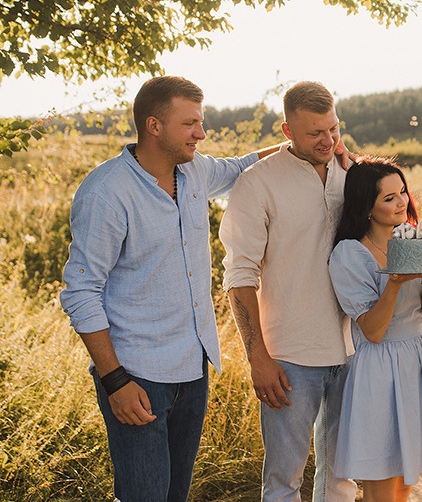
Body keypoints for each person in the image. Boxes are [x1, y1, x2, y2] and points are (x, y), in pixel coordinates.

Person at [59, 75, 283, 502]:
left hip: (193, 368)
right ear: (154, 126)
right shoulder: (107, 192)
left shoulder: (195, 170)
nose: (201, 133)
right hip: (137, 376)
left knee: (175, 494)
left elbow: (241, 166)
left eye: (201, 122)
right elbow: (80, 292)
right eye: (190, 124)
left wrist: (307, 144)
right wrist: (114, 381)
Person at [219, 81, 358, 501]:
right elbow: (240, 275)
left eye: (333, 129)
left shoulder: (351, 174)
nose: (328, 139)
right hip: (290, 358)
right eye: (315, 132)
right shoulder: (256, 184)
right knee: (283, 482)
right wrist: (258, 357)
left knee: (343, 477)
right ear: (287, 131)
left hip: (355, 347)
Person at [328, 157, 422, 501]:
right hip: (379, 368)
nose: (402, 202)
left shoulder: (415, 238)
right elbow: (372, 330)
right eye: (389, 198)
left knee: (405, 480)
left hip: (417, 358)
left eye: (402, 192)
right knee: (381, 482)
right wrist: (395, 282)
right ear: (366, 207)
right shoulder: (350, 254)